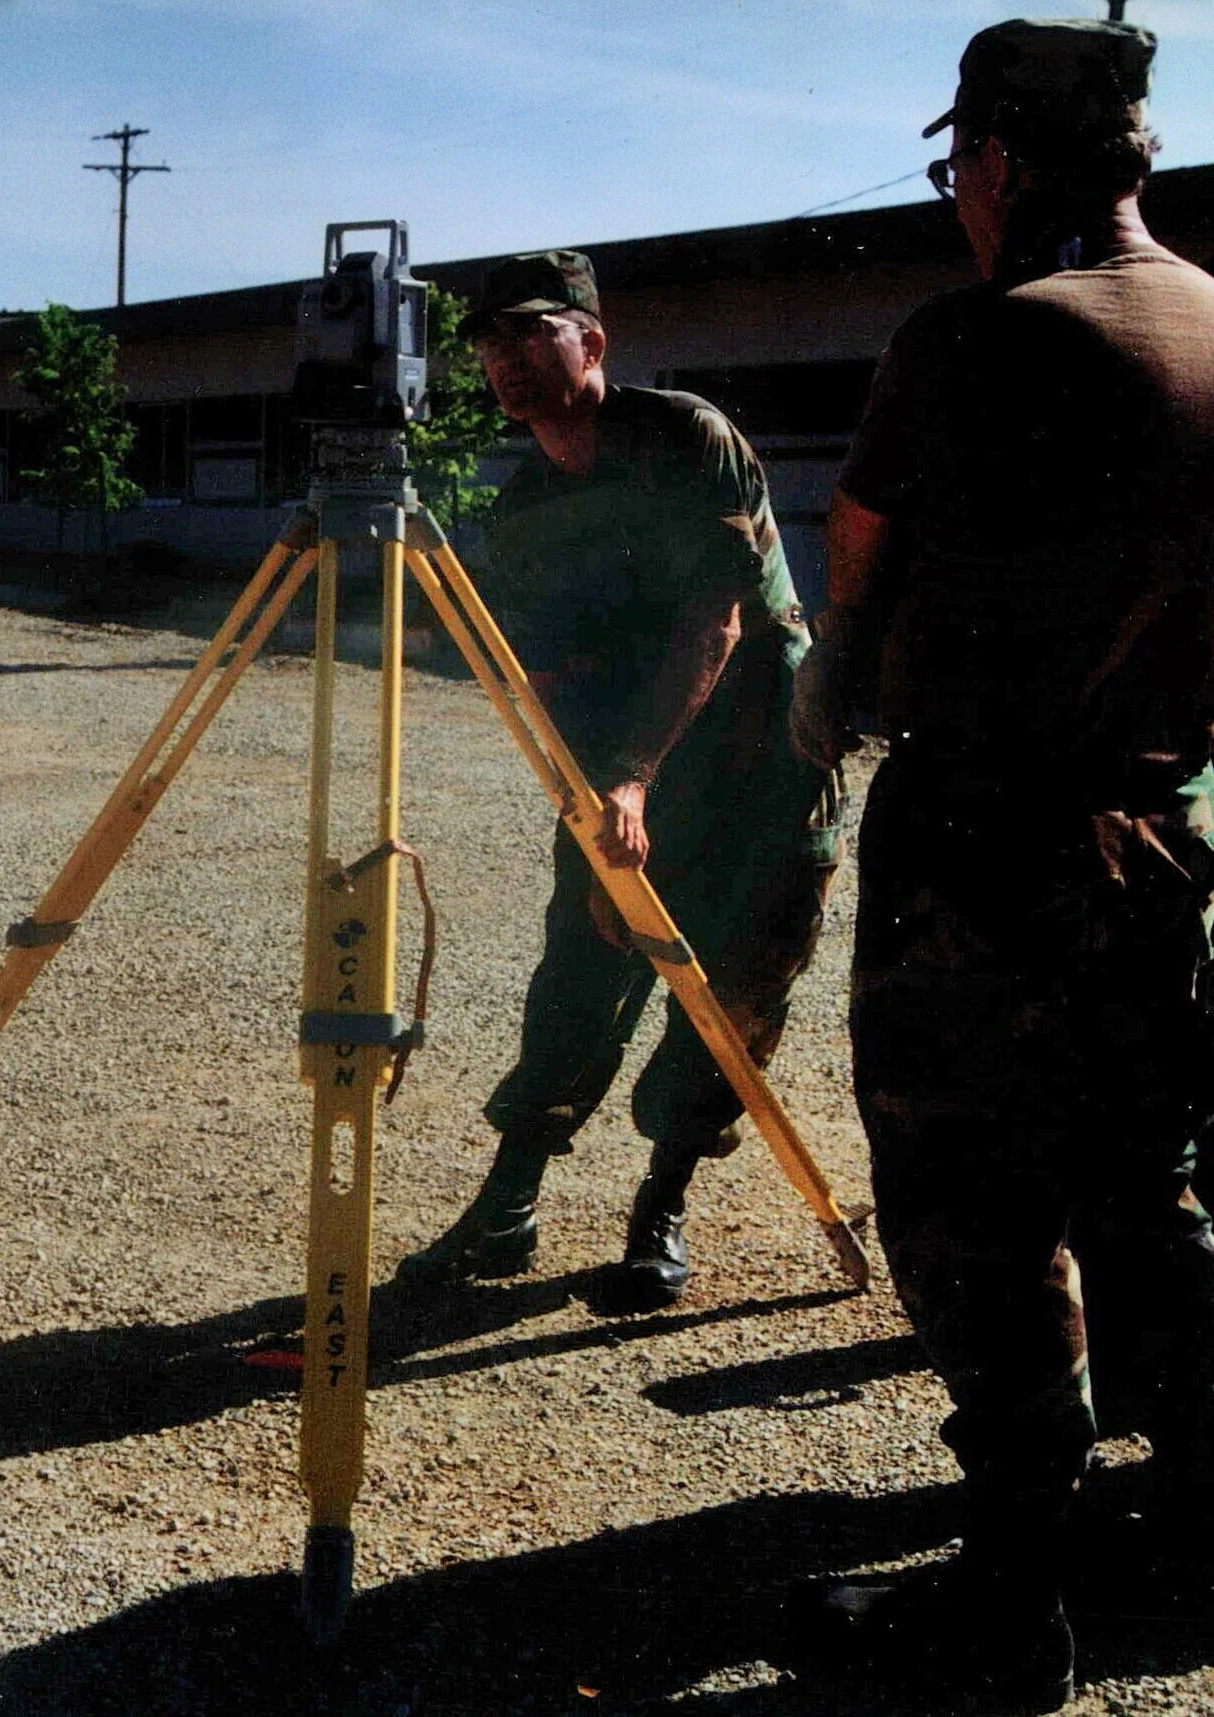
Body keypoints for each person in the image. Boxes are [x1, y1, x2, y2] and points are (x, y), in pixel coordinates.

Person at [782, 19, 1214, 1710]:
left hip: (985, 838)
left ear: (1007, 165)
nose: (955, 194)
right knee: (1148, 1180)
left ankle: (1011, 1597)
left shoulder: (973, 338)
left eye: (960, 164)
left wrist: (834, 684)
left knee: (980, 1209)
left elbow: (863, 551)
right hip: (1166, 836)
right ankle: (1190, 1529)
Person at [393, 252, 843, 1312]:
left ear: (590, 341)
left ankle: (661, 1207)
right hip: (626, 773)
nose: (503, 361)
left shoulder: (685, 437)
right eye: (486, 345)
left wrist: (631, 778)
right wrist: (593, 804)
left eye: (527, 334)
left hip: (761, 763)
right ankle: (507, 1207)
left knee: (731, 996)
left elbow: (716, 621)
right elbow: (544, 681)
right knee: (579, 976)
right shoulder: (521, 512)